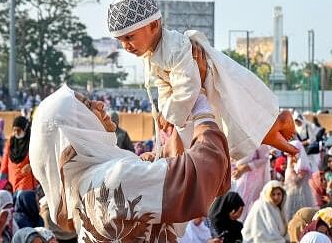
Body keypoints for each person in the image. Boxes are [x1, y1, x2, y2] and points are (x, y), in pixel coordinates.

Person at [107, 0, 298, 160]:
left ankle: (281, 121)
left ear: (153, 25)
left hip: (215, 85)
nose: (125, 46)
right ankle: (281, 141)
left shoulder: (174, 48)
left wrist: (171, 116)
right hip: (201, 96)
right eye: (120, 40)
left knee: (242, 125)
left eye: (129, 37)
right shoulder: (152, 55)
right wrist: (166, 112)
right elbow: (164, 87)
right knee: (239, 133)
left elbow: (187, 86)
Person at [29, 85, 231, 241]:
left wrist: (181, 119)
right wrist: (201, 108)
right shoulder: (114, 178)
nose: (99, 104)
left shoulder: (85, 184)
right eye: (88, 106)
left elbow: (165, 173)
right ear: (76, 127)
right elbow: (205, 169)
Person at [232, 144, 271, 221]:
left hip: (252, 179)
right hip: (236, 176)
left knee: (248, 206)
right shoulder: (234, 137)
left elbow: (264, 159)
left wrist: (246, 167)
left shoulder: (258, 139)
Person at [0, 116, 37, 193]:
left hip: (27, 180)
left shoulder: (32, 141)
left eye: (18, 130)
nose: (16, 133)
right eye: (14, 130)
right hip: (13, 179)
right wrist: (1, 179)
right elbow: (5, 160)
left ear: (25, 129)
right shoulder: (11, 141)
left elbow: (38, 158)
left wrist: (32, 165)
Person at [284, 141, 316, 221]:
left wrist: (290, 168)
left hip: (301, 195)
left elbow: (296, 181)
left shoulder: (302, 166)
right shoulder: (291, 163)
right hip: (290, 194)